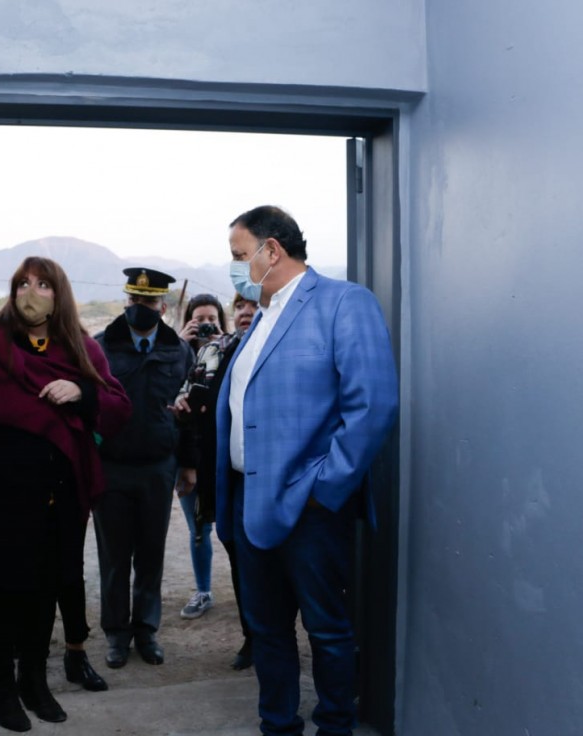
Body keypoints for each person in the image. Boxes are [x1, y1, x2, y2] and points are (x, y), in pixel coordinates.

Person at [215, 206, 398, 736]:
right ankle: (278, 724)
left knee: (326, 629)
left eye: (239, 255)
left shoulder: (344, 303)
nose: (235, 267)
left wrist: (324, 489)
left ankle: (335, 724)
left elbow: (373, 405)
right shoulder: (263, 315)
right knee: (267, 629)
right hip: (249, 502)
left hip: (309, 506)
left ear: (272, 250)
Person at [0, 257, 131, 733]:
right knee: (1, 595)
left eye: (43, 284)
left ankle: (34, 681)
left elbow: (117, 405)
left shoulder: (80, 347)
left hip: (58, 498)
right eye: (23, 283)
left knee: (45, 593)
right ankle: (1, 686)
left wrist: (81, 391)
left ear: (58, 294)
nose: (31, 292)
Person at [93, 267, 194, 669]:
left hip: (158, 467)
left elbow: (190, 413)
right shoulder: (100, 348)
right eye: (135, 300)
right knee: (114, 556)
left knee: (151, 554)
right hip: (112, 468)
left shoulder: (178, 350)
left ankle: (146, 630)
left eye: (149, 301)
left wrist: (188, 464)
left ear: (162, 307)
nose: (141, 307)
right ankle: (116, 634)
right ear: (126, 302)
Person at [172, 292, 259, 668]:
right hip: (226, 475)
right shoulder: (213, 352)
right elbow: (186, 398)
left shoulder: (278, 345)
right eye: (239, 306)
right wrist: (182, 405)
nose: (245, 312)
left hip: (271, 476)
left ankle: (275, 638)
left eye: (253, 305)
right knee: (237, 554)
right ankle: (252, 638)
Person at [172, 293, 230, 620]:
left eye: (212, 320)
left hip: (223, 458)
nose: (206, 326)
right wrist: (181, 345)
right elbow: (175, 410)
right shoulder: (178, 355)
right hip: (189, 459)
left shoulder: (232, 352)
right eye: (200, 321)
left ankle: (251, 590)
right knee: (198, 529)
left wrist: (224, 344)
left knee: (235, 527)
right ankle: (203, 590)